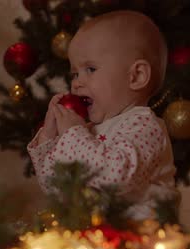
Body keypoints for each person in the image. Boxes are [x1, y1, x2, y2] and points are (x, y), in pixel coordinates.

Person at [27, 10, 178, 220]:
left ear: (136, 76)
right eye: (75, 73)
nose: (77, 82)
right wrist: (50, 141)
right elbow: (56, 188)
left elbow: (117, 179)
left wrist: (73, 135)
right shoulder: (86, 132)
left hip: (143, 242)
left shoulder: (145, 126)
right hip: (98, 241)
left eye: (90, 69)